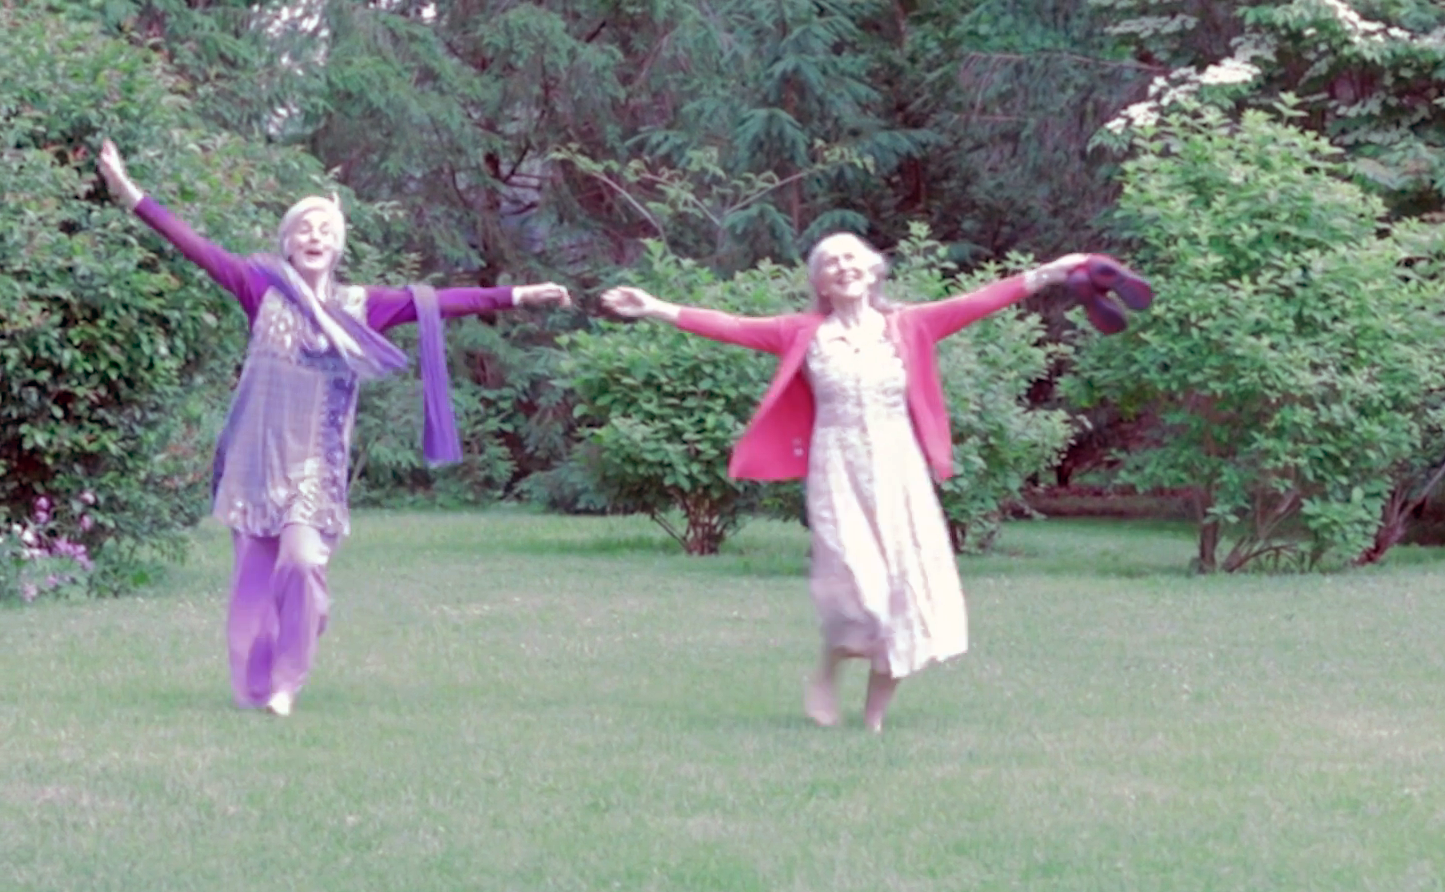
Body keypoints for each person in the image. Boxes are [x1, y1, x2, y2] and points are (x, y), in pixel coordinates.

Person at [97, 140, 570, 717]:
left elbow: (440, 301)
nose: (314, 236)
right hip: (257, 459)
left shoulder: (361, 304)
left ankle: (288, 682)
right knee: (252, 587)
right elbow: (196, 247)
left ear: (337, 245)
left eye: (324, 229)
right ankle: (255, 686)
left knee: (301, 564)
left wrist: (519, 295)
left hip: (314, 465)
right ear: (288, 243)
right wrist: (131, 196)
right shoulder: (259, 287)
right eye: (303, 229)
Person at [601, 234, 1085, 732]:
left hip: (900, 472)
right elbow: (733, 326)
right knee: (861, 593)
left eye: (852, 257)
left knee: (902, 595)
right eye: (830, 262)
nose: (842, 266)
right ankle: (828, 670)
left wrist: (1047, 273)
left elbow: (977, 301)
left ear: (874, 271)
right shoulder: (803, 333)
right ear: (819, 283)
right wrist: (655, 307)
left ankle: (874, 719)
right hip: (836, 469)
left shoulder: (909, 324)